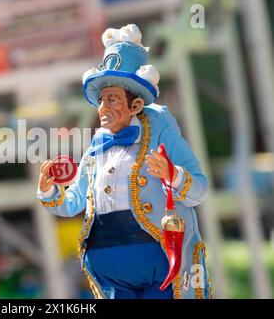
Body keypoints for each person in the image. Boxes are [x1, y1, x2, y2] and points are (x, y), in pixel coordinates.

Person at [37, 24, 212, 299]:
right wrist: (48, 190)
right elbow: (73, 203)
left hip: (158, 260)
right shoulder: (96, 149)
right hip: (108, 268)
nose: (104, 107)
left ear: (136, 106)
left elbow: (199, 189)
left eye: (113, 99)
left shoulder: (158, 131)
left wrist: (173, 175)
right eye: (102, 100)